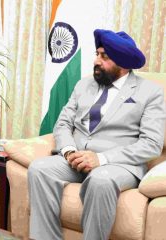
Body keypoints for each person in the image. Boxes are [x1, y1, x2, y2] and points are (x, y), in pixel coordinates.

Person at [28, 29, 165, 240]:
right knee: (39, 168)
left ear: (123, 64)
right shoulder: (84, 84)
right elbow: (63, 123)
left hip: (118, 164)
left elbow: (151, 144)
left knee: (100, 180)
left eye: (105, 57)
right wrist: (68, 151)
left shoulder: (150, 92)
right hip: (76, 158)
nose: (96, 61)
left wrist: (100, 159)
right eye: (97, 54)